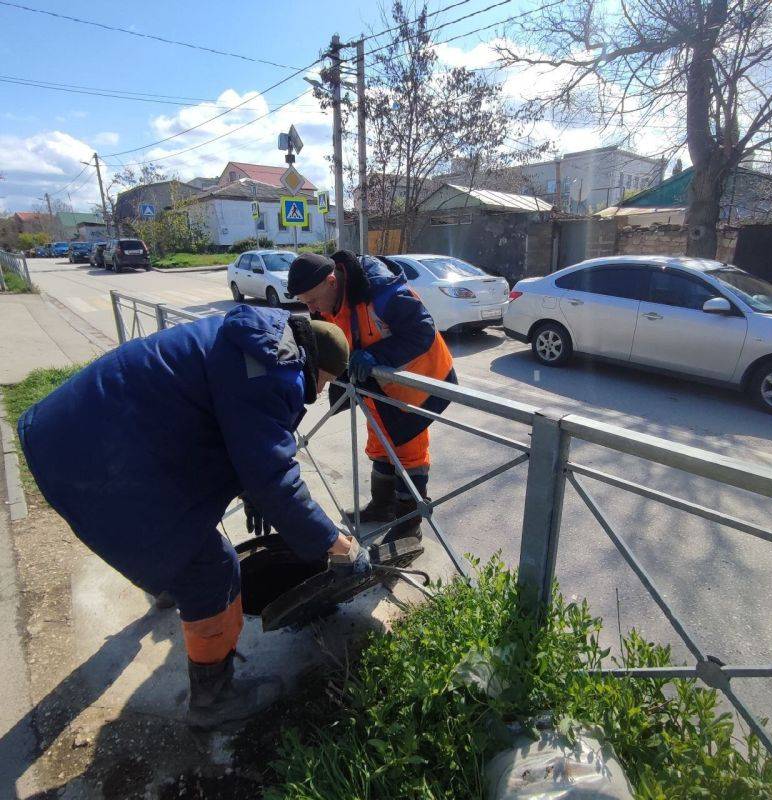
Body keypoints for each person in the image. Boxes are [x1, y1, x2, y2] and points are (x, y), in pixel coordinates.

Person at [17, 305, 370, 730]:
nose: (319, 391)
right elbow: (275, 475)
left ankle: (172, 584)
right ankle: (213, 698)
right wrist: (336, 542)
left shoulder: (255, 339)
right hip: (99, 458)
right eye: (327, 381)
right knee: (210, 570)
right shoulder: (278, 371)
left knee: (185, 539)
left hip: (77, 431)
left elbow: (230, 428)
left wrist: (251, 485)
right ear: (318, 366)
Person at [287, 250, 457, 542]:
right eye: (304, 303)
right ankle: (382, 506)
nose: (311, 308)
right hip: (375, 381)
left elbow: (422, 332)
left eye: (312, 300)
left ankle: (409, 524)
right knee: (379, 440)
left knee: (408, 449)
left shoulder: (383, 290)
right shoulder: (324, 299)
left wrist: (376, 355)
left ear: (331, 281)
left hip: (415, 378)